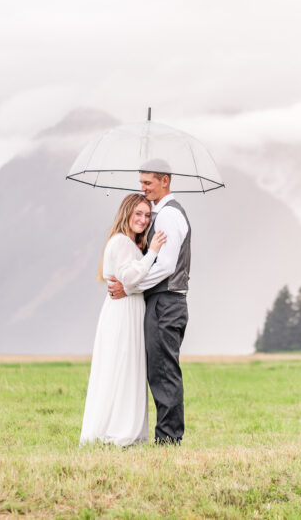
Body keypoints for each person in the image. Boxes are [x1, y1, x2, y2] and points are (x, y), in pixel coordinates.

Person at [107, 158, 191, 445]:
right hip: (166, 302)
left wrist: (129, 288)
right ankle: (167, 436)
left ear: (164, 180)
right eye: (141, 182)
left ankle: (168, 439)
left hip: (165, 302)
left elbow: (165, 266)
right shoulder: (165, 213)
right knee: (160, 369)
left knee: (163, 371)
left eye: (148, 182)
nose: (142, 188)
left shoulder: (168, 216)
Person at [80, 193, 166, 446]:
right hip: (123, 311)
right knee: (123, 365)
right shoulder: (122, 243)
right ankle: (119, 431)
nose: (143, 219)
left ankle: (119, 427)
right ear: (126, 213)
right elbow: (129, 278)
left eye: (147, 215)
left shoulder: (128, 244)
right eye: (138, 213)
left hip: (126, 309)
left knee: (125, 366)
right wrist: (152, 253)